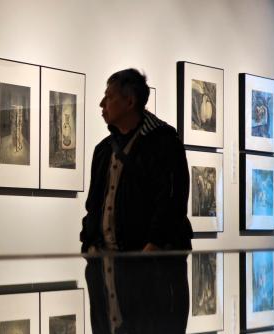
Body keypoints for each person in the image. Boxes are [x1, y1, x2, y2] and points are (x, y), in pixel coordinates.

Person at [80, 69, 193, 253]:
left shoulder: (164, 142)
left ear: (130, 102)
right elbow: (93, 205)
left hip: (154, 263)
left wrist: (153, 246)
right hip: (109, 261)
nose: (102, 103)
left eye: (109, 97)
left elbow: (172, 202)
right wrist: (90, 244)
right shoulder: (103, 149)